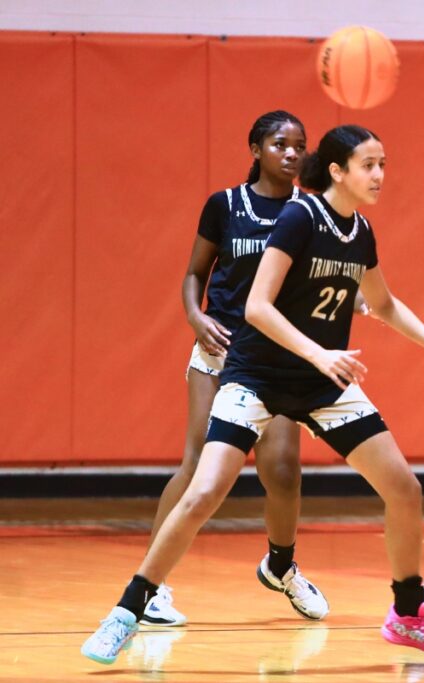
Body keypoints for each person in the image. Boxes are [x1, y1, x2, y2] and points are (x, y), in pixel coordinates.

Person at [82, 124, 424, 665]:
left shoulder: (361, 231)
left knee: (404, 488)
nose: (379, 175)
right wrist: (321, 353)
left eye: (383, 164)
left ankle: (407, 614)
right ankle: (127, 611)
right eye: (368, 165)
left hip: (320, 386)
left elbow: (385, 304)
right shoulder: (300, 217)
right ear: (337, 172)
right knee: (205, 491)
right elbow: (256, 306)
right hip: (255, 376)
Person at [140, 111, 326, 629]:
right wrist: (196, 317)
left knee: (284, 471)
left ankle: (282, 567)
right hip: (220, 350)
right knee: (198, 460)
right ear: (255, 149)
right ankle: (152, 587)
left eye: (299, 146)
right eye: (279, 144)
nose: (291, 153)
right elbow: (195, 273)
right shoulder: (225, 205)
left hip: (274, 359)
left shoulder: (310, 212)